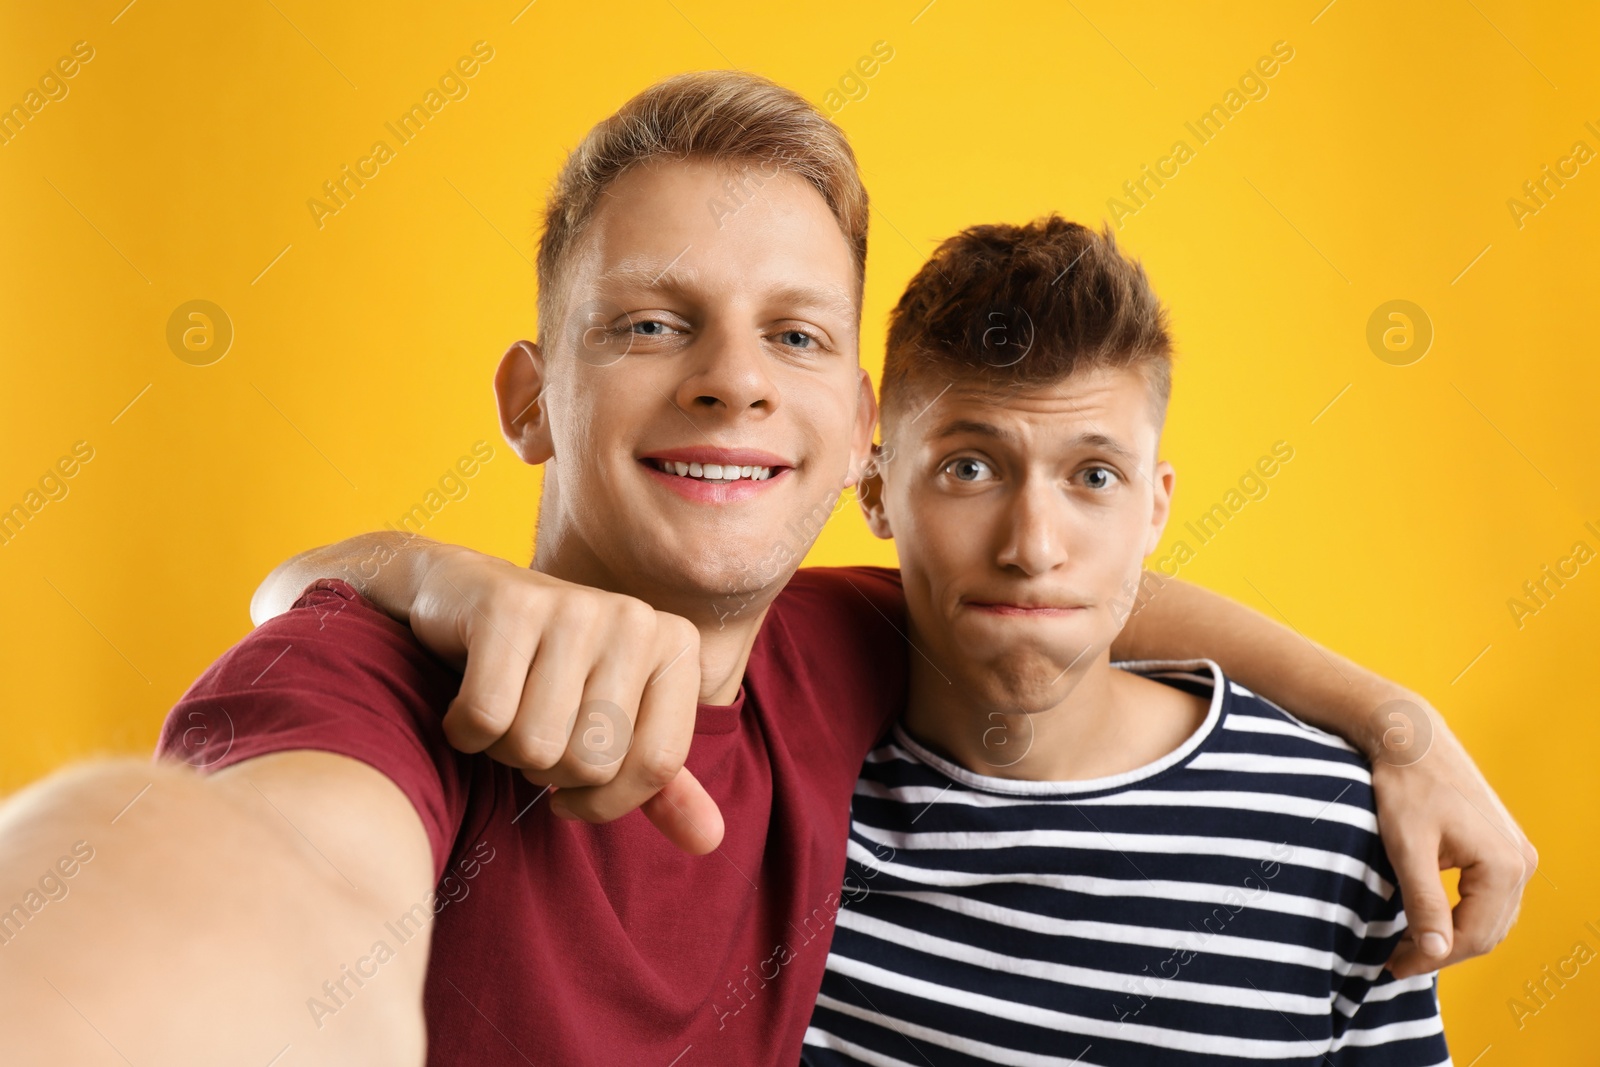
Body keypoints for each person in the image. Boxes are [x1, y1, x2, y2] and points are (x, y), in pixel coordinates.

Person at [0, 72, 1528, 1066]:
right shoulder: (371, 670)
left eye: (795, 333)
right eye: (655, 322)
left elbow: (1051, 589)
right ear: (532, 398)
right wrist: (393, 582)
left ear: (857, 437)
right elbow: (257, 873)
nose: (736, 382)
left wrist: (1394, 722)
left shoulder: (844, 649)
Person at [800, 217, 1447, 1065]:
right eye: (970, 467)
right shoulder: (785, 795)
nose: (1032, 547)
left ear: (1155, 506)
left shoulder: (1333, 829)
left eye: (1094, 476)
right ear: (877, 488)